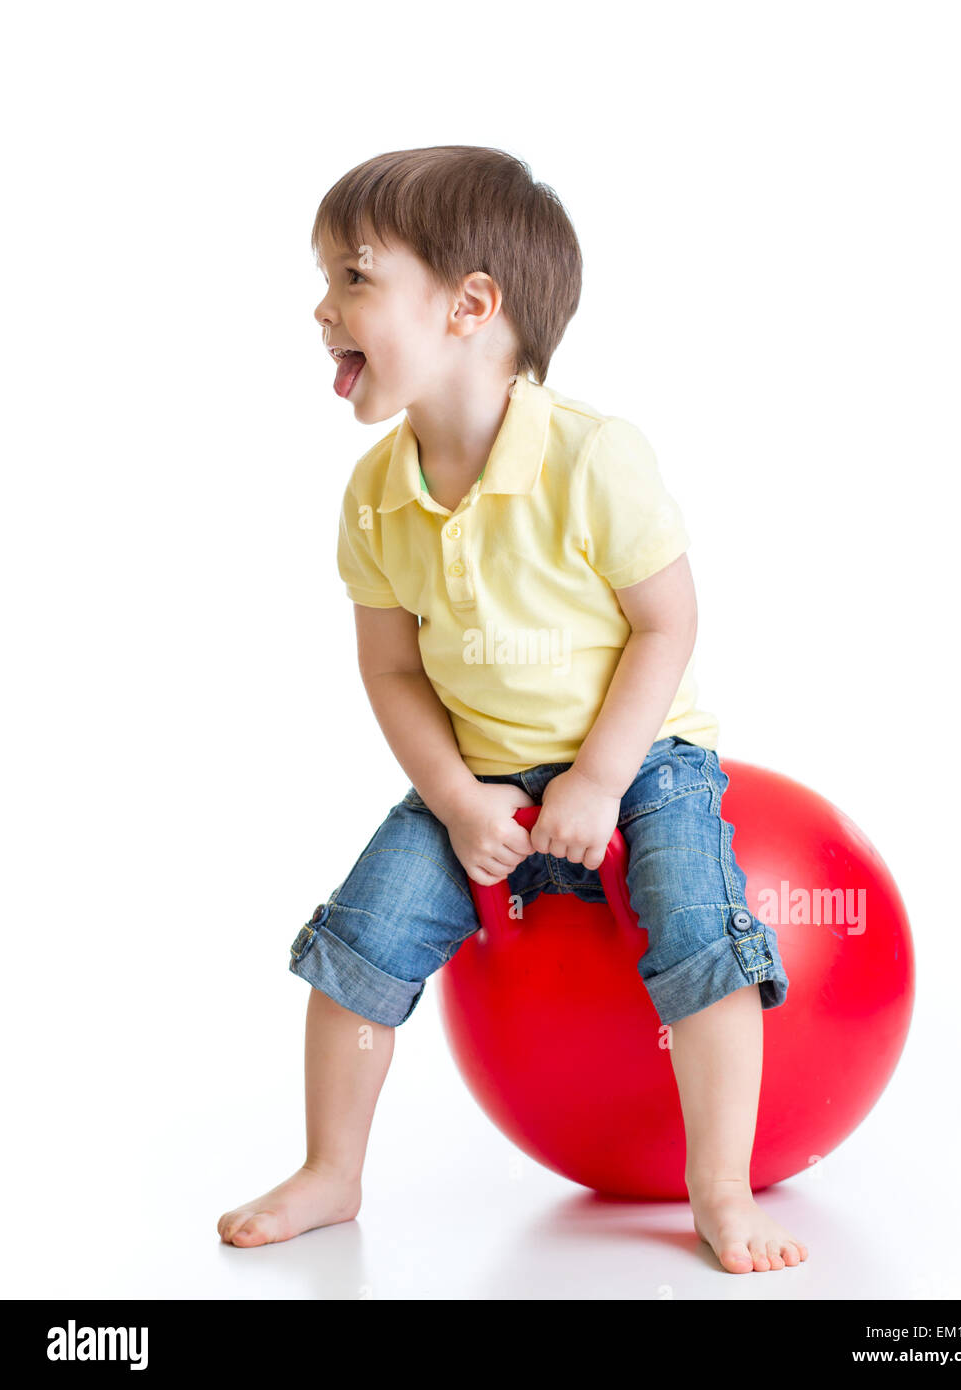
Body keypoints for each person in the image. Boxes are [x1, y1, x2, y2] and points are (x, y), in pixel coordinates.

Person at [217, 146, 808, 1274]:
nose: (319, 307)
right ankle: (331, 1169)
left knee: (699, 932)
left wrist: (596, 778)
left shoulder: (592, 458)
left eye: (352, 277)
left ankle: (720, 1186)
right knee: (358, 943)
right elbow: (391, 671)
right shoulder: (374, 494)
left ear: (470, 306)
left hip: (641, 755)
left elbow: (665, 625)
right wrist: (452, 798)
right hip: (477, 775)